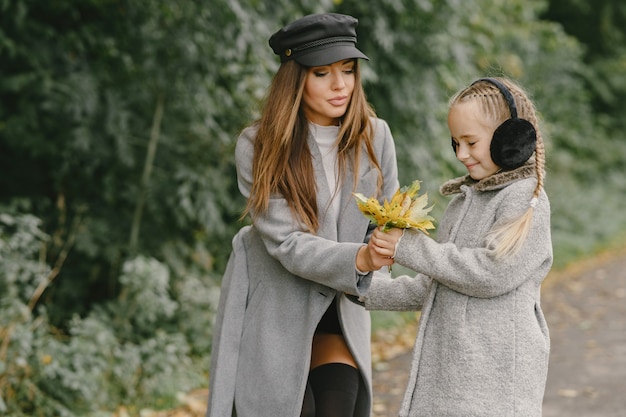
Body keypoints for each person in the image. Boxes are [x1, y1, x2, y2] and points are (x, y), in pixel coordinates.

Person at [206, 13, 399, 417]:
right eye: (322, 73)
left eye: (348, 70)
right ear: (295, 79)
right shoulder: (259, 145)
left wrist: (385, 252)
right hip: (277, 314)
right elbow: (288, 243)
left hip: (341, 316)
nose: (340, 85)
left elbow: (387, 220)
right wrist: (360, 259)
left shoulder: (374, 135)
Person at [364, 77, 553, 416]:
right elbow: (434, 286)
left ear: (511, 140)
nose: (461, 154)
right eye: (455, 143)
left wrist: (408, 247)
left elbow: (493, 273)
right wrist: (359, 285)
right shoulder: (463, 202)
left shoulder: (525, 199)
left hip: (493, 382)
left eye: (470, 141)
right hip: (451, 378)